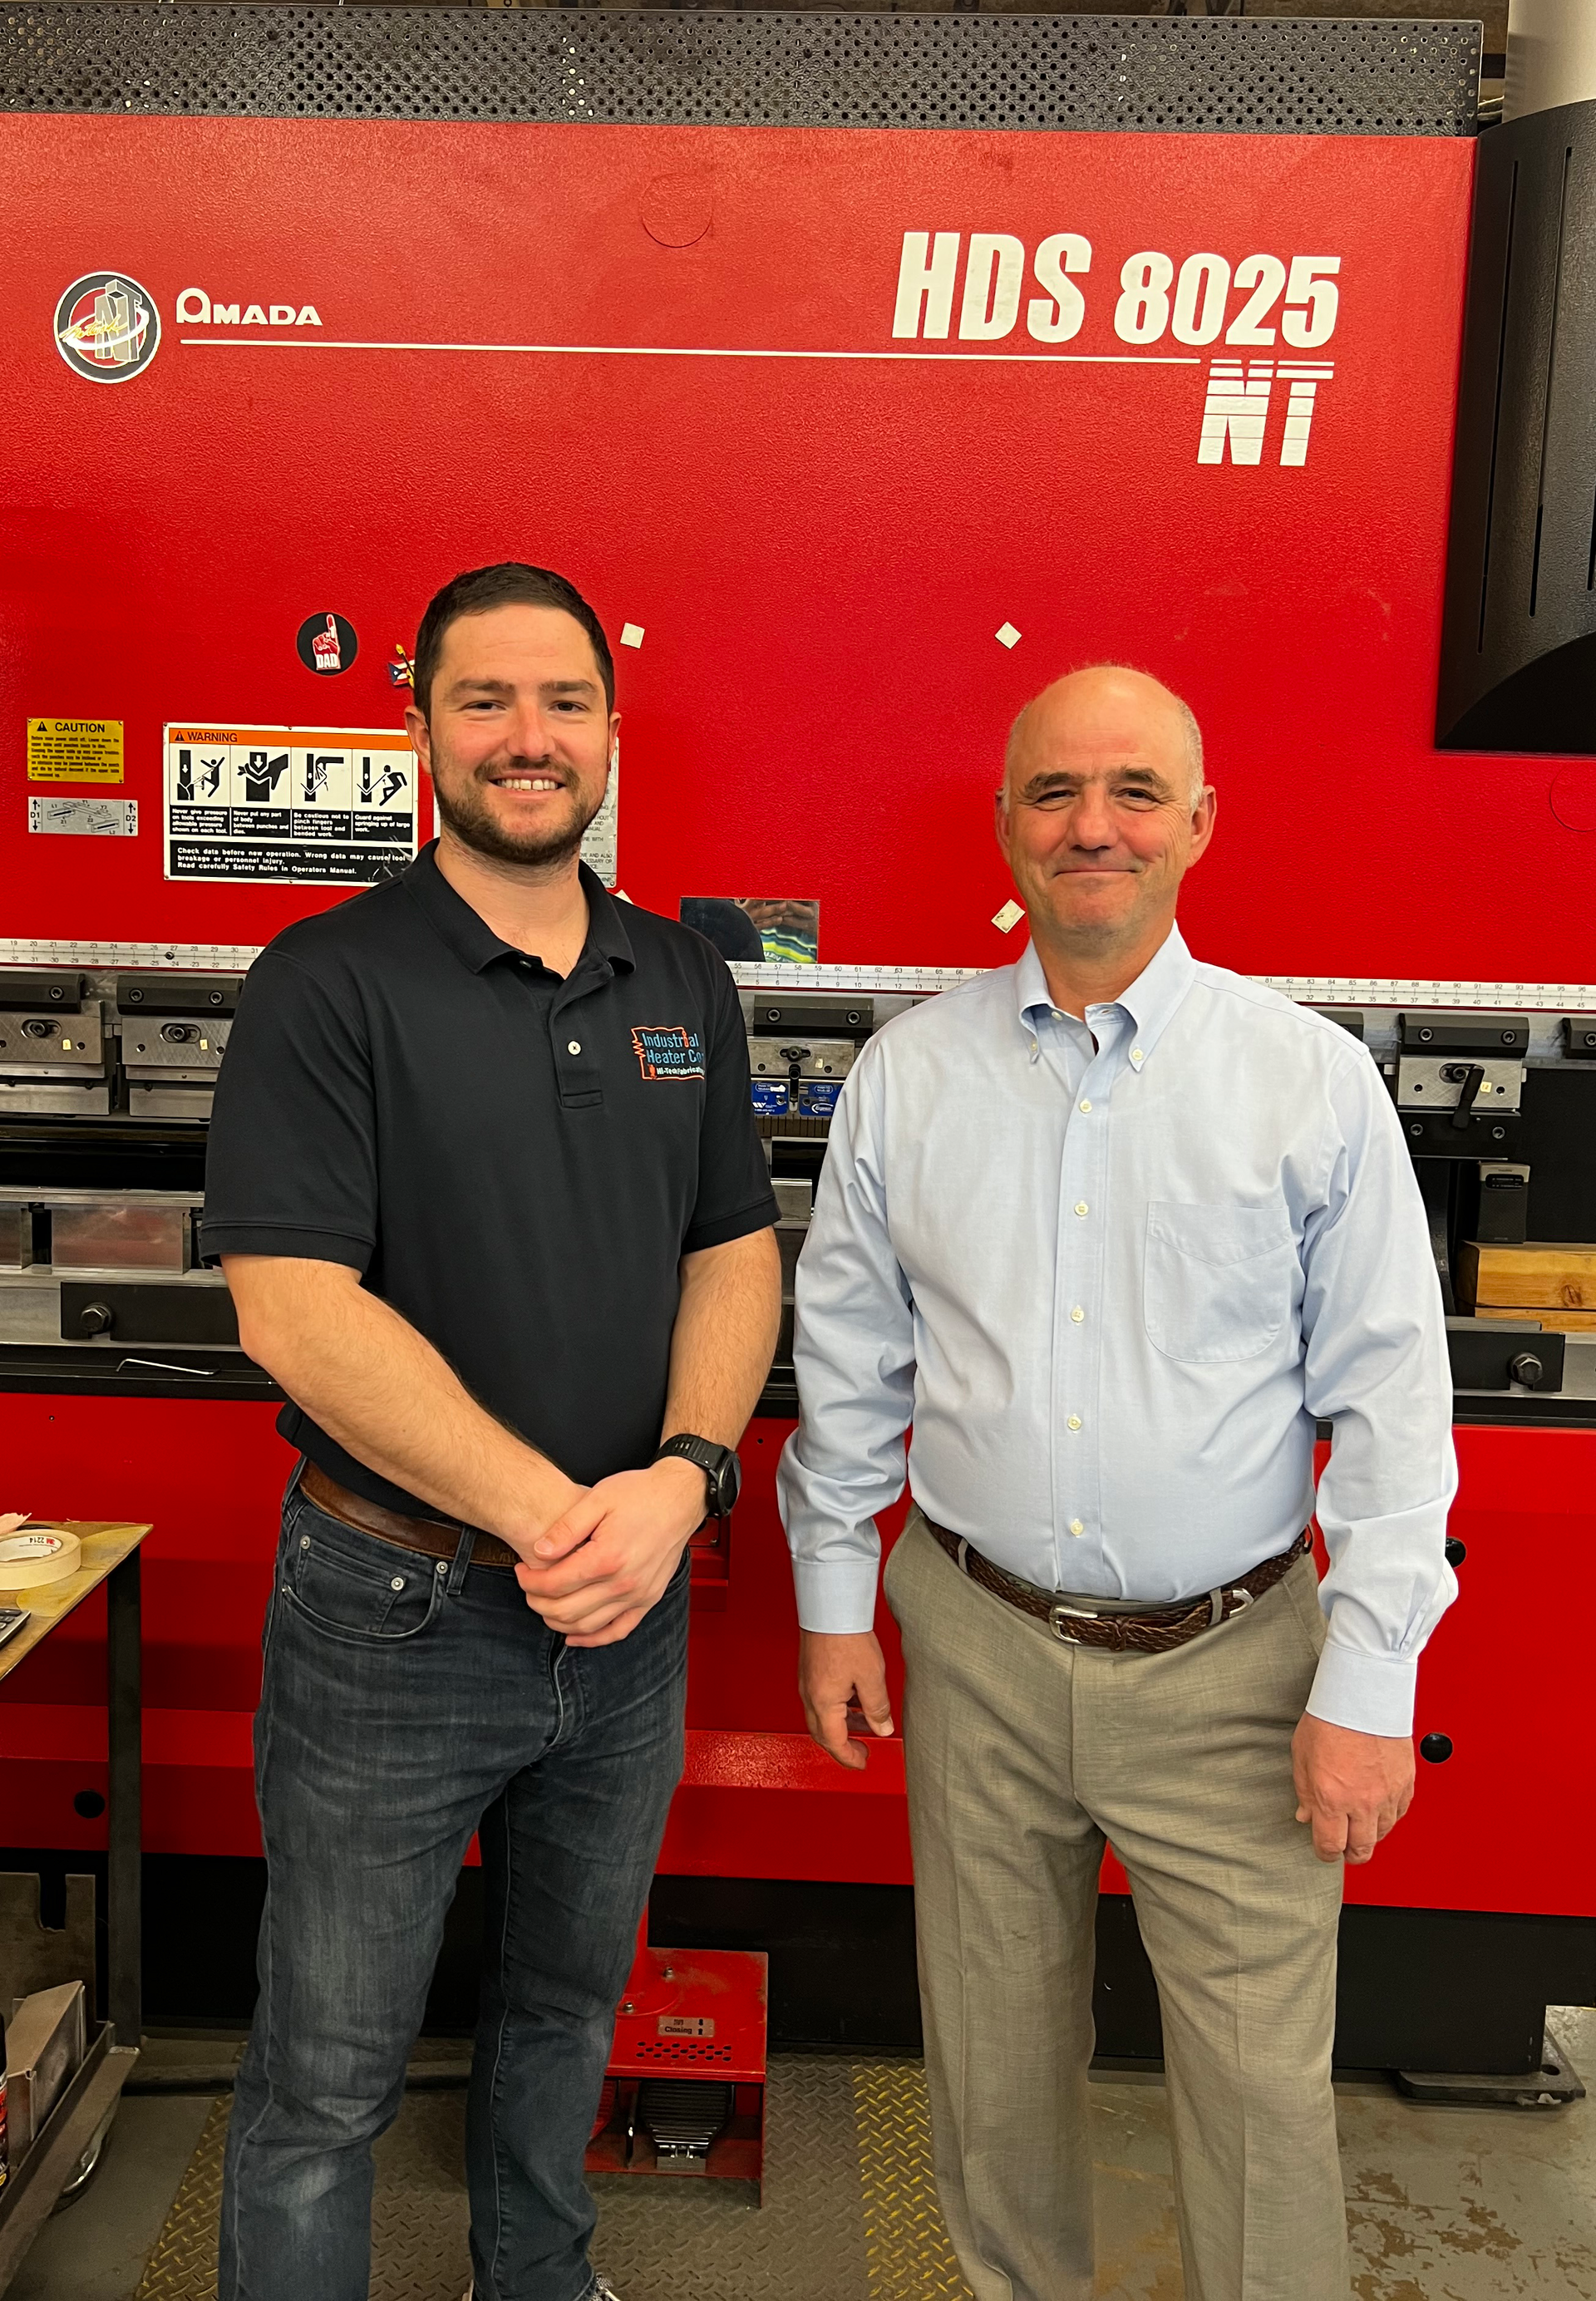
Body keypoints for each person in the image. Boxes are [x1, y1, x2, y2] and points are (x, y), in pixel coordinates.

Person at [778, 664, 1456, 2301]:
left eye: (1137, 792)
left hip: (1234, 1664)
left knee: (1260, 2101)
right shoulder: (910, 1076)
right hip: (979, 1640)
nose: (1096, 826)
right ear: (1008, 828)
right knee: (994, 2072)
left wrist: (1370, 1679)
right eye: (1055, 794)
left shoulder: (1307, 1084)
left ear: (1200, 825)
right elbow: (849, 1365)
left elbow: (1391, 1401)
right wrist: (833, 1603)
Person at [204, 561, 781, 2301]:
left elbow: (735, 1258)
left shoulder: (680, 970)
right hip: (399, 1615)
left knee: (563, 2013)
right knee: (324, 2073)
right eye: (487, 702)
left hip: (629, 1615)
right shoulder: (327, 980)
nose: (530, 739)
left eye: (565, 703)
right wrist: (562, 1518)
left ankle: (537, 2279)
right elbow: (293, 1309)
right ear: (420, 728)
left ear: (612, 729)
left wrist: (680, 1486)